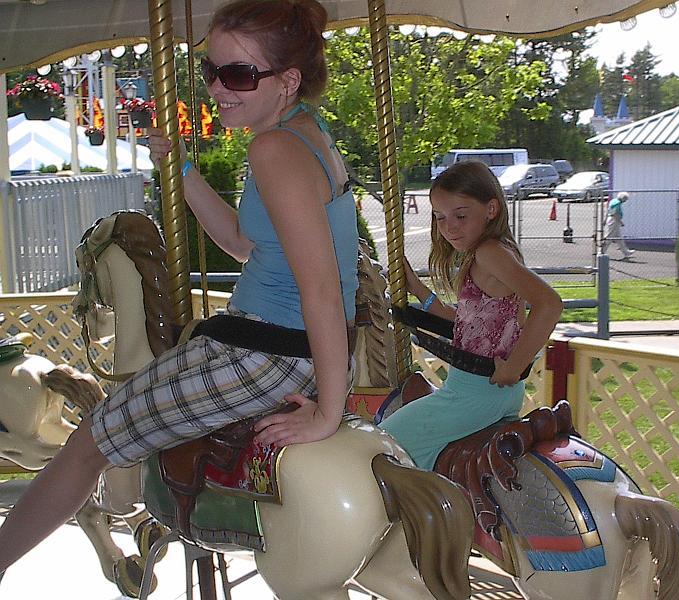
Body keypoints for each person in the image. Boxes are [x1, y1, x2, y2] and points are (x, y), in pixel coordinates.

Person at [0, 0, 358, 573]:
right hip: (278, 344)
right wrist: (184, 171)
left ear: (288, 80)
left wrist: (327, 414)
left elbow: (322, 289)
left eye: (239, 74)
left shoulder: (274, 150)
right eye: (211, 70)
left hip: (266, 354)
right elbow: (243, 245)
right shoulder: (302, 132)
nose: (217, 88)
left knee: (90, 441)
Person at [379, 161, 563, 470]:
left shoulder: (488, 253)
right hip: (494, 394)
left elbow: (550, 304)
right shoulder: (497, 251)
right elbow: (469, 324)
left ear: (491, 209)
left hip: (473, 396)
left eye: (460, 215)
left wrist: (514, 366)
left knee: (378, 445)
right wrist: (418, 290)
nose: (449, 226)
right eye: (440, 217)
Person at [601, 191, 634, 259]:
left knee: (619, 238)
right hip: (614, 221)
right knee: (609, 237)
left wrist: (605, 219)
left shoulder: (614, 201)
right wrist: (620, 222)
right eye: (625, 199)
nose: (625, 201)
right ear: (623, 198)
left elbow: (608, 211)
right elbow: (614, 214)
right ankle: (601, 252)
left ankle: (626, 252)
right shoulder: (617, 203)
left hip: (613, 220)